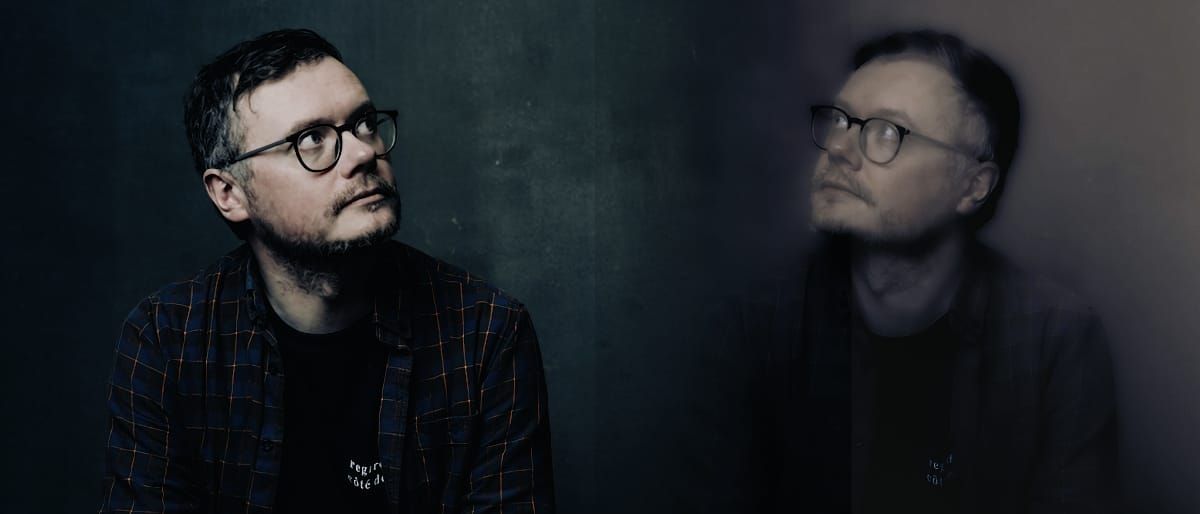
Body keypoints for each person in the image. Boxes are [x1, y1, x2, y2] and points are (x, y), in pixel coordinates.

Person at [99, 28, 554, 514]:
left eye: (363, 123)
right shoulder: (167, 341)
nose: (363, 153)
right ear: (229, 193)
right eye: (311, 139)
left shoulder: (486, 333)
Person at [738, 30, 1117, 513]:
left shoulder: (1057, 339)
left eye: (886, 132)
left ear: (972, 185)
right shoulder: (752, 323)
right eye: (840, 122)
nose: (839, 149)